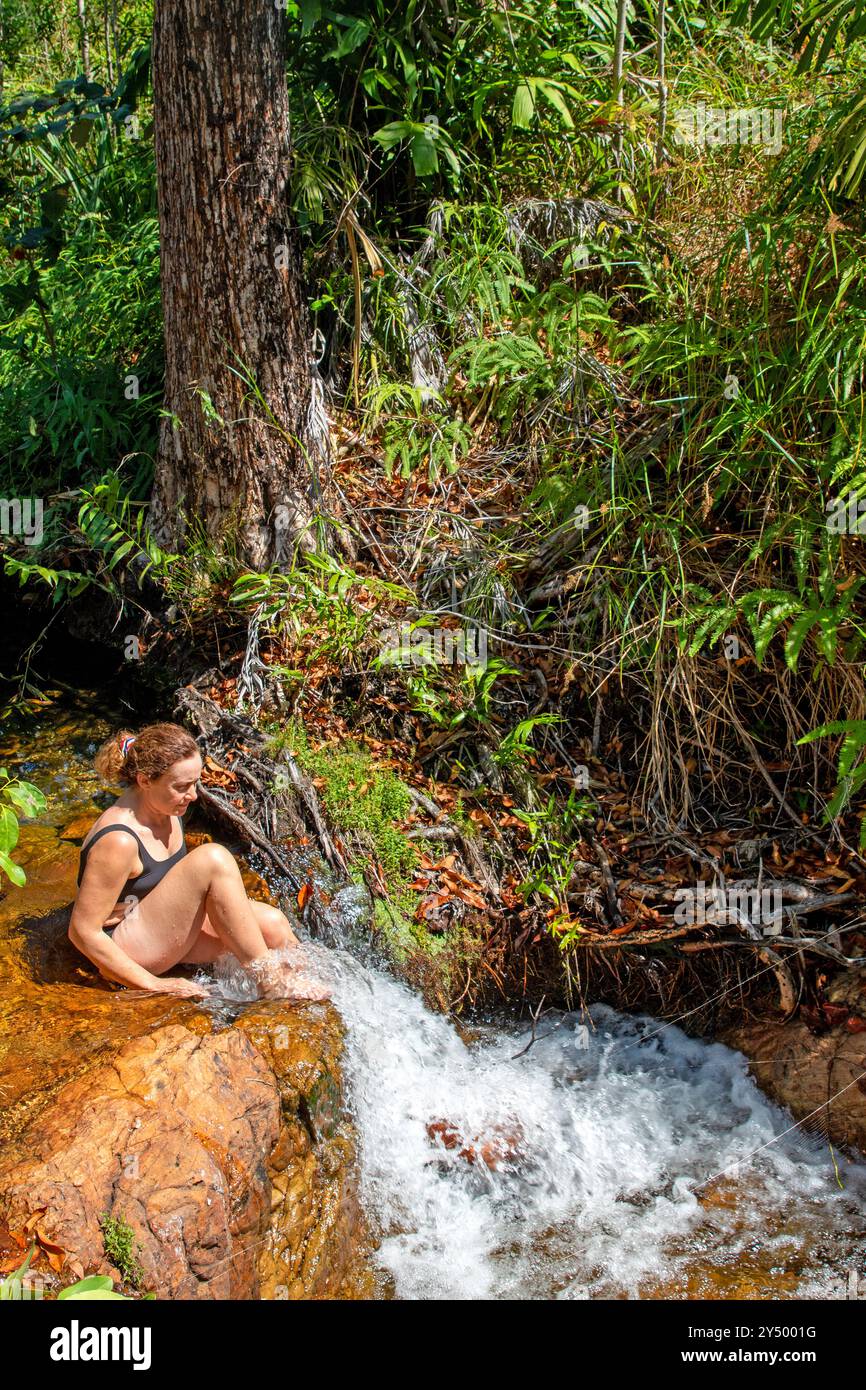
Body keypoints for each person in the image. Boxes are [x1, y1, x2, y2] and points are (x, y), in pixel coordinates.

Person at [69, 722, 330, 1001]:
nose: (193, 795)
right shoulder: (119, 840)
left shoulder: (167, 805)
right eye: (182, 786)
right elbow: (82, 932)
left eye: (195, 782)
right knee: (213, 859)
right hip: (128, 944)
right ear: (145, 781)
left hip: (160, 923)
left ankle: (308, 997)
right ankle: (271, 983)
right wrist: (155, 985)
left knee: (273, 925)